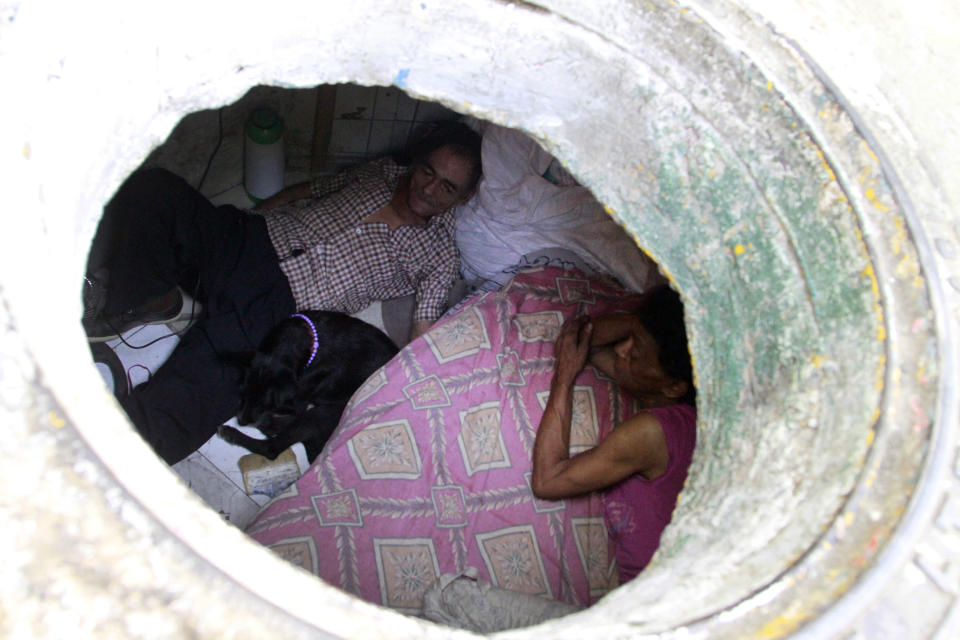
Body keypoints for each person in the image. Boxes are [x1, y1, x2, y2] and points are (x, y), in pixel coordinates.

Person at [83, 120, 482, 465]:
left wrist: (438, 403)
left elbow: (422, 335)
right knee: (154, 191)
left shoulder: (440, 255)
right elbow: (310, 190)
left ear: (462, 199)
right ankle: (153, 300)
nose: (429, 190)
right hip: (250, 238)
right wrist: (252, 218)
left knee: (198, 390)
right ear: (418, 162)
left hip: (279, 304)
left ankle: (97, 456)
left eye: (447, 188)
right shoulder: (380, 172)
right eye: (428, 172)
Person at [531, 285, 696, 583]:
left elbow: (547, 480)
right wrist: (639, 323)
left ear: (673, 386)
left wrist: (564, 377)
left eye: (635, 352)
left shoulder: (652, 433)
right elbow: (585, 342)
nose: (622, 349)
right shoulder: (675, 403)